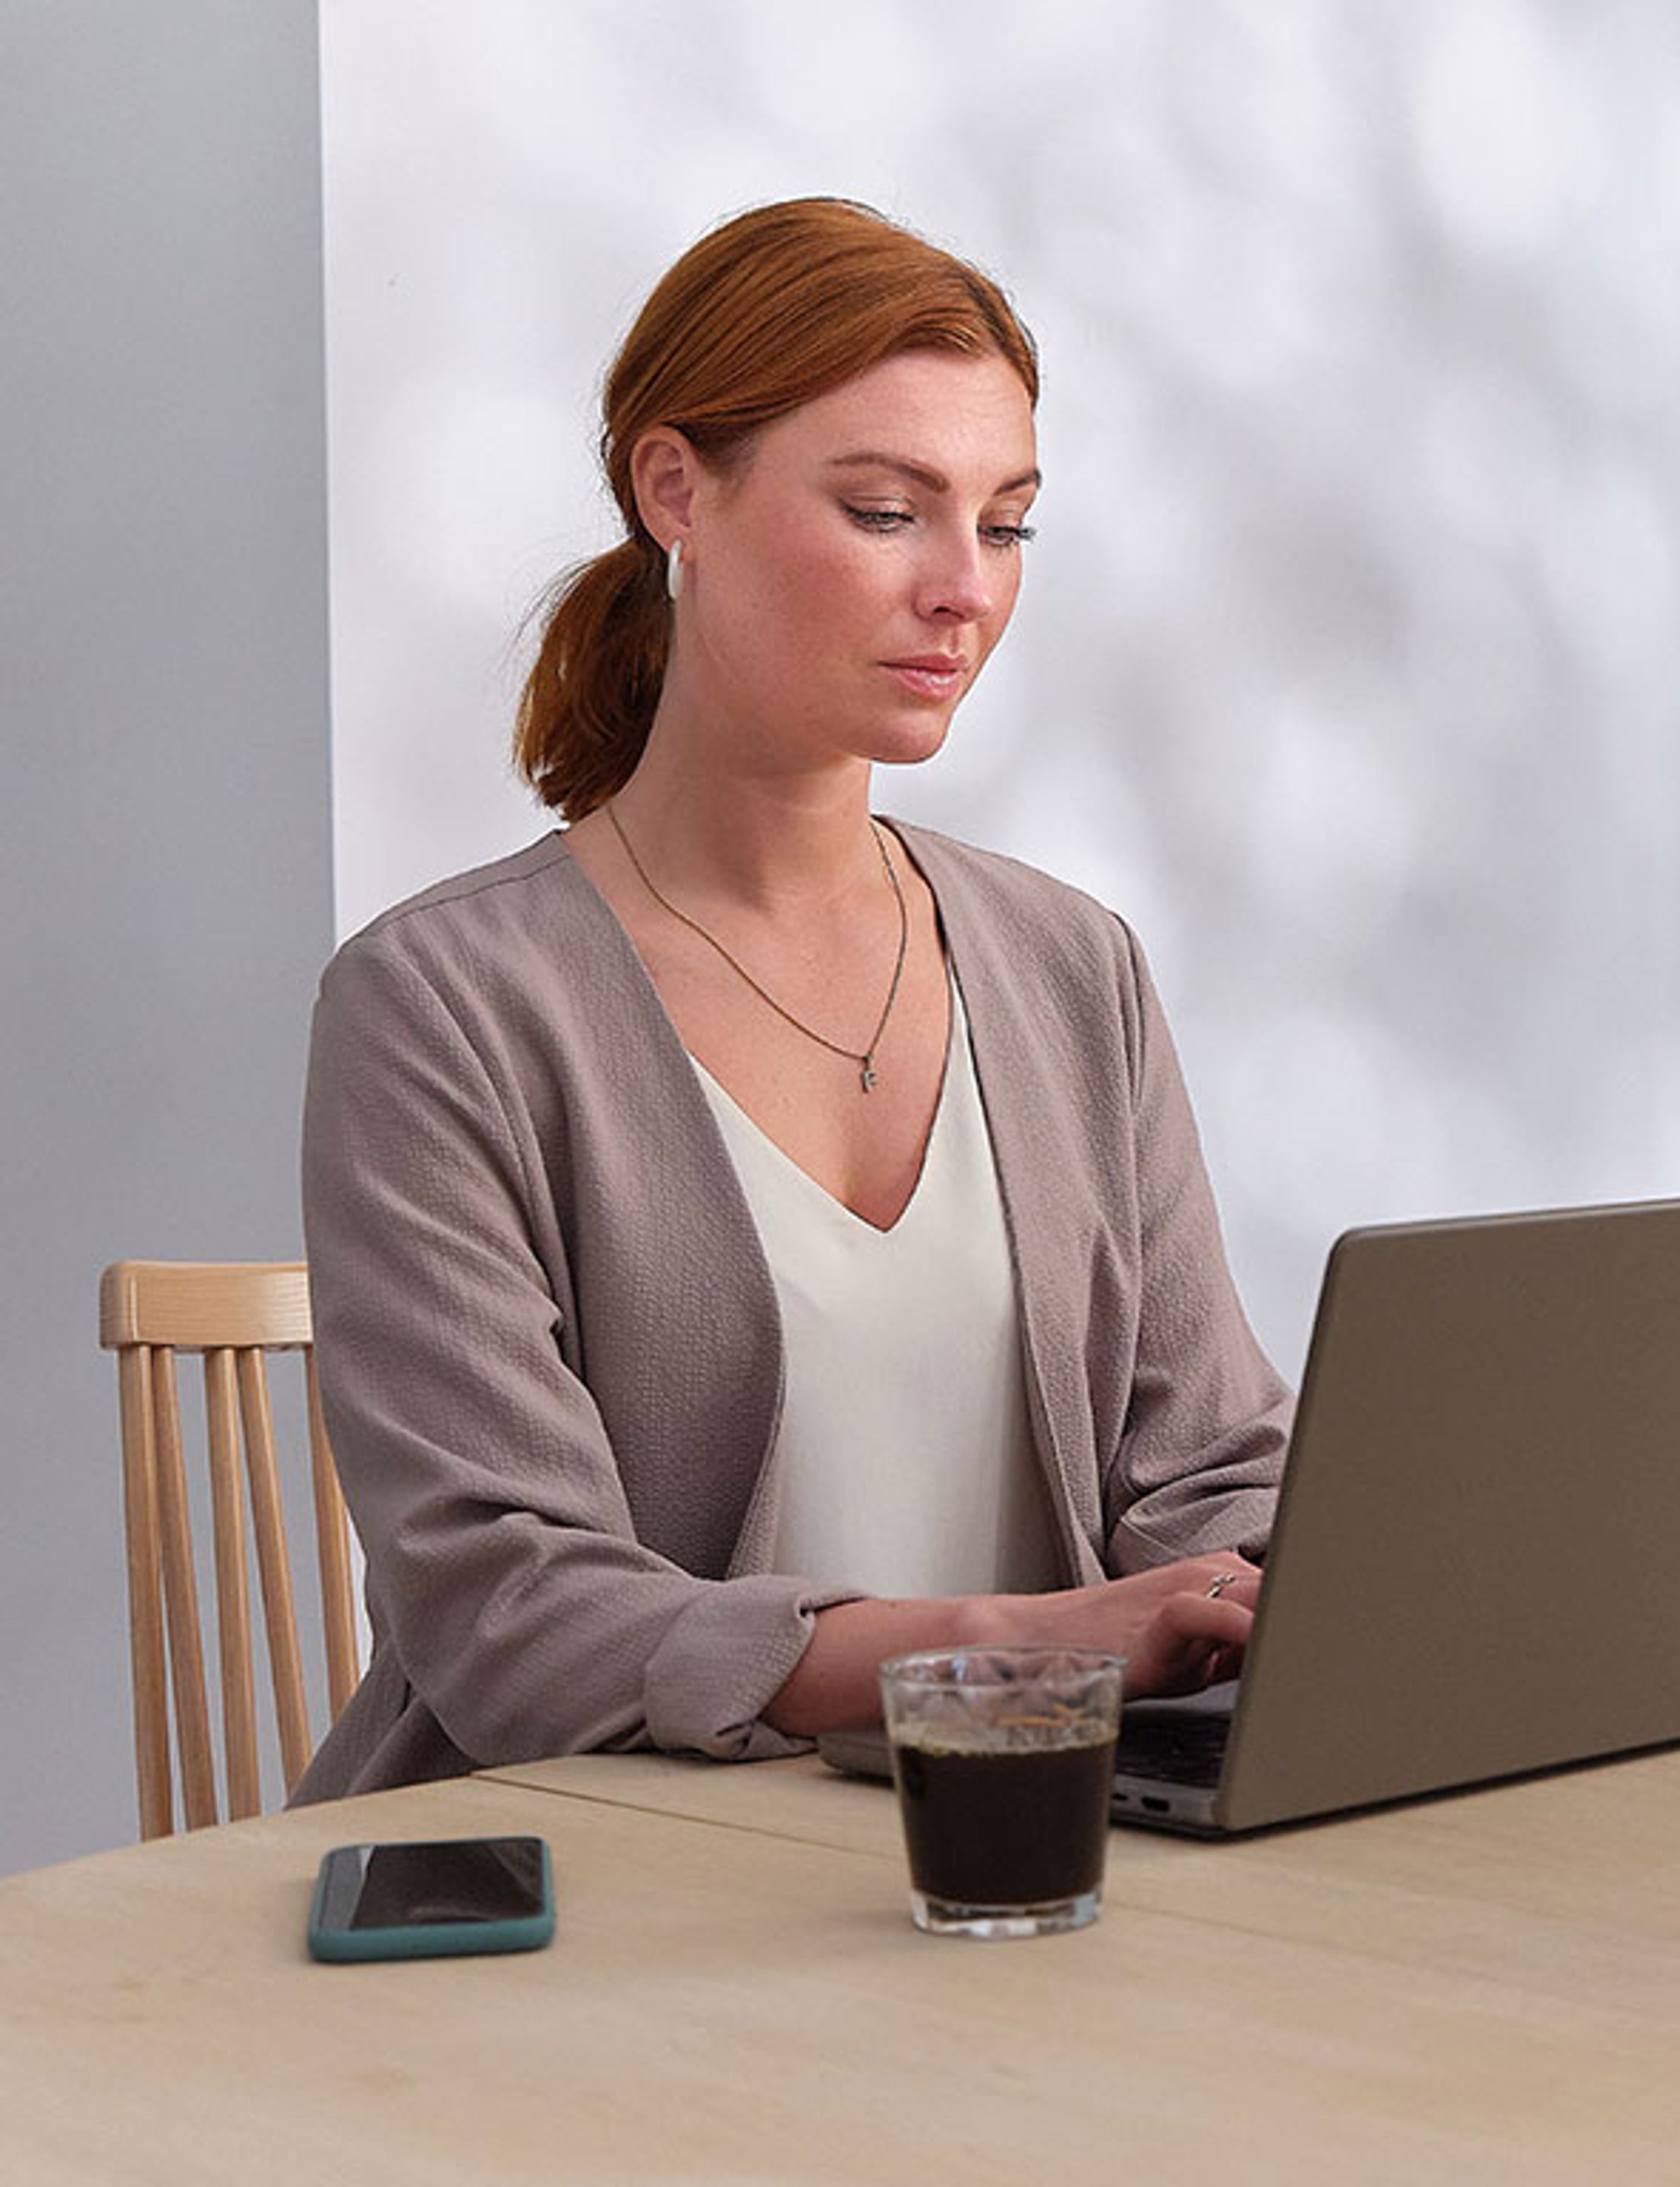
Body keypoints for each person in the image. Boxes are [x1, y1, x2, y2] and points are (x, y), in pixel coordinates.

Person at [292, 197, 1286, 1802]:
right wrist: (1019, 1642)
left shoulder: (1067, 965)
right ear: (673, 488)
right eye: (890, 510)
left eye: (1009, 523)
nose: (965, 588)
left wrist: (1301, 1586)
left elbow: (1213, 1470)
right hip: (593, 1898)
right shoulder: (441, 1005)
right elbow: (509, 1619)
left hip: (1014, 1879)